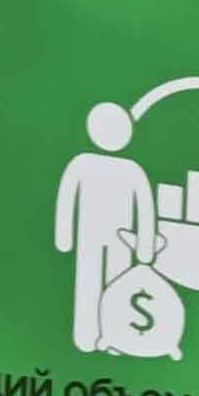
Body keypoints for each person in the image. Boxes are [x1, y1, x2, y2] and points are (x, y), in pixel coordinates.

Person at [56, 101, 164, 356]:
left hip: (122, 239)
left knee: (119, 287)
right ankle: (86, 336)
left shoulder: (133, 170)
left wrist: (145, 247)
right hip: (90, 233)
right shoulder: (83, 163)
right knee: (89, 282)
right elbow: (67, 198)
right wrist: (64, 237)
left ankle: (115, 336)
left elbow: (146, 209)